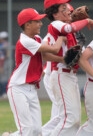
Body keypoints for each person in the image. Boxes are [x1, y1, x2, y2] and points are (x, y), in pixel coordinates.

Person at [2, 8, 66, 136]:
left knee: (37, 131)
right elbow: (54, 49)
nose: (41, 23)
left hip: (31, 89)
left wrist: (62, 59)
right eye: (37, 21)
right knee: (27, 129)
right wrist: (62, 36)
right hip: (18, 88)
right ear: (27, 25)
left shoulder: (36, 38)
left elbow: (44, 56)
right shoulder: (25, 41)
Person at [41, 0, 93, 136]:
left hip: (69, 76)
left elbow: (82, 54)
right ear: (54, 13)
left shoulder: (69, 32)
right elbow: (68, 28)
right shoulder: (56, 25)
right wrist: (87, 21)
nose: (68, 11)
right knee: (69, 119)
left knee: (73, 121)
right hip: (60, 75)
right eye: (64, 9)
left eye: (68, 8)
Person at [0, 31, 9, 98]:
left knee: (4, 78)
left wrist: (1, 66)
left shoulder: (5, 44)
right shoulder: (3, 44)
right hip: (3, 62)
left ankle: (4, 93)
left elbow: (6, 55)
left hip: (4, 63)